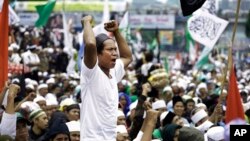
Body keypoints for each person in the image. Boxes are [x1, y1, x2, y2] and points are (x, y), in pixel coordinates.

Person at [80, 15, 132, 141]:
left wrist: (116, 32)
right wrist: (86, 22)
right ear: (97, 54)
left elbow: (127, 57)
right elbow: (91, 44)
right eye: (110, 50)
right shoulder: (91, 72)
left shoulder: (113, 72)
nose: (115, 53)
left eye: (115, 49)